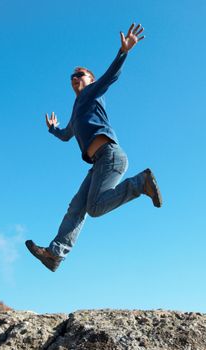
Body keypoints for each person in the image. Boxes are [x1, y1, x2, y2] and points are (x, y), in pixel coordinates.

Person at [26, 23, 162, 272]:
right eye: (72, 77)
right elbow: (67, 135)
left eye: (80, 75)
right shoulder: (77, 108)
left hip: (110, 156)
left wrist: (123, 52)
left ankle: (140, 183)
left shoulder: (92, 93)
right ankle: (55, 254)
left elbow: (111, 77)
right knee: (76, 207)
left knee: (95, 208)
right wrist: (52, 129)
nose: (75, 78)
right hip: (100, 163)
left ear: (91, 81)